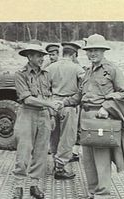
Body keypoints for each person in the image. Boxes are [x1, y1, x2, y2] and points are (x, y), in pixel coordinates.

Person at [64, 34, 124, 199]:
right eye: (90, 50)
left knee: (101, 158)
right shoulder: (87, 71)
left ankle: (102, 196)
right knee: (87, 158)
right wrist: (63, 102)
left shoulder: (112, 70)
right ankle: (93, 192)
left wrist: (106, 107)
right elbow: (79, 95)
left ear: (103, 51)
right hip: (86, 118)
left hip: (102, 119)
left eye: (96, 50)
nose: (92, 53)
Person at [12, 42, 63, 199]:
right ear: (29, 57)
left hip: (44, 116)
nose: (42, 59)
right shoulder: (20, 74)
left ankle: (34, 184)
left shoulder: (46, 74)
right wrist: (49, 105)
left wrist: (51, 115)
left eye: (43, 56)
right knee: (24, 151)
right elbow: (26, 98)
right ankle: (18, 185)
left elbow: (48, 95)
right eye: (39, 56)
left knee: (41, 152)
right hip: (27, 115)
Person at [46, 42, 85, 180]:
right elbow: (84, 85)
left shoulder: (51, 67)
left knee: (54, 135)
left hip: (53, 103)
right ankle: (60, 167)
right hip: (68, 105)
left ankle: (55, 162)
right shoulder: (77, 68)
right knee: (68, 137)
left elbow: (45, 86)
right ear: (74, 55)